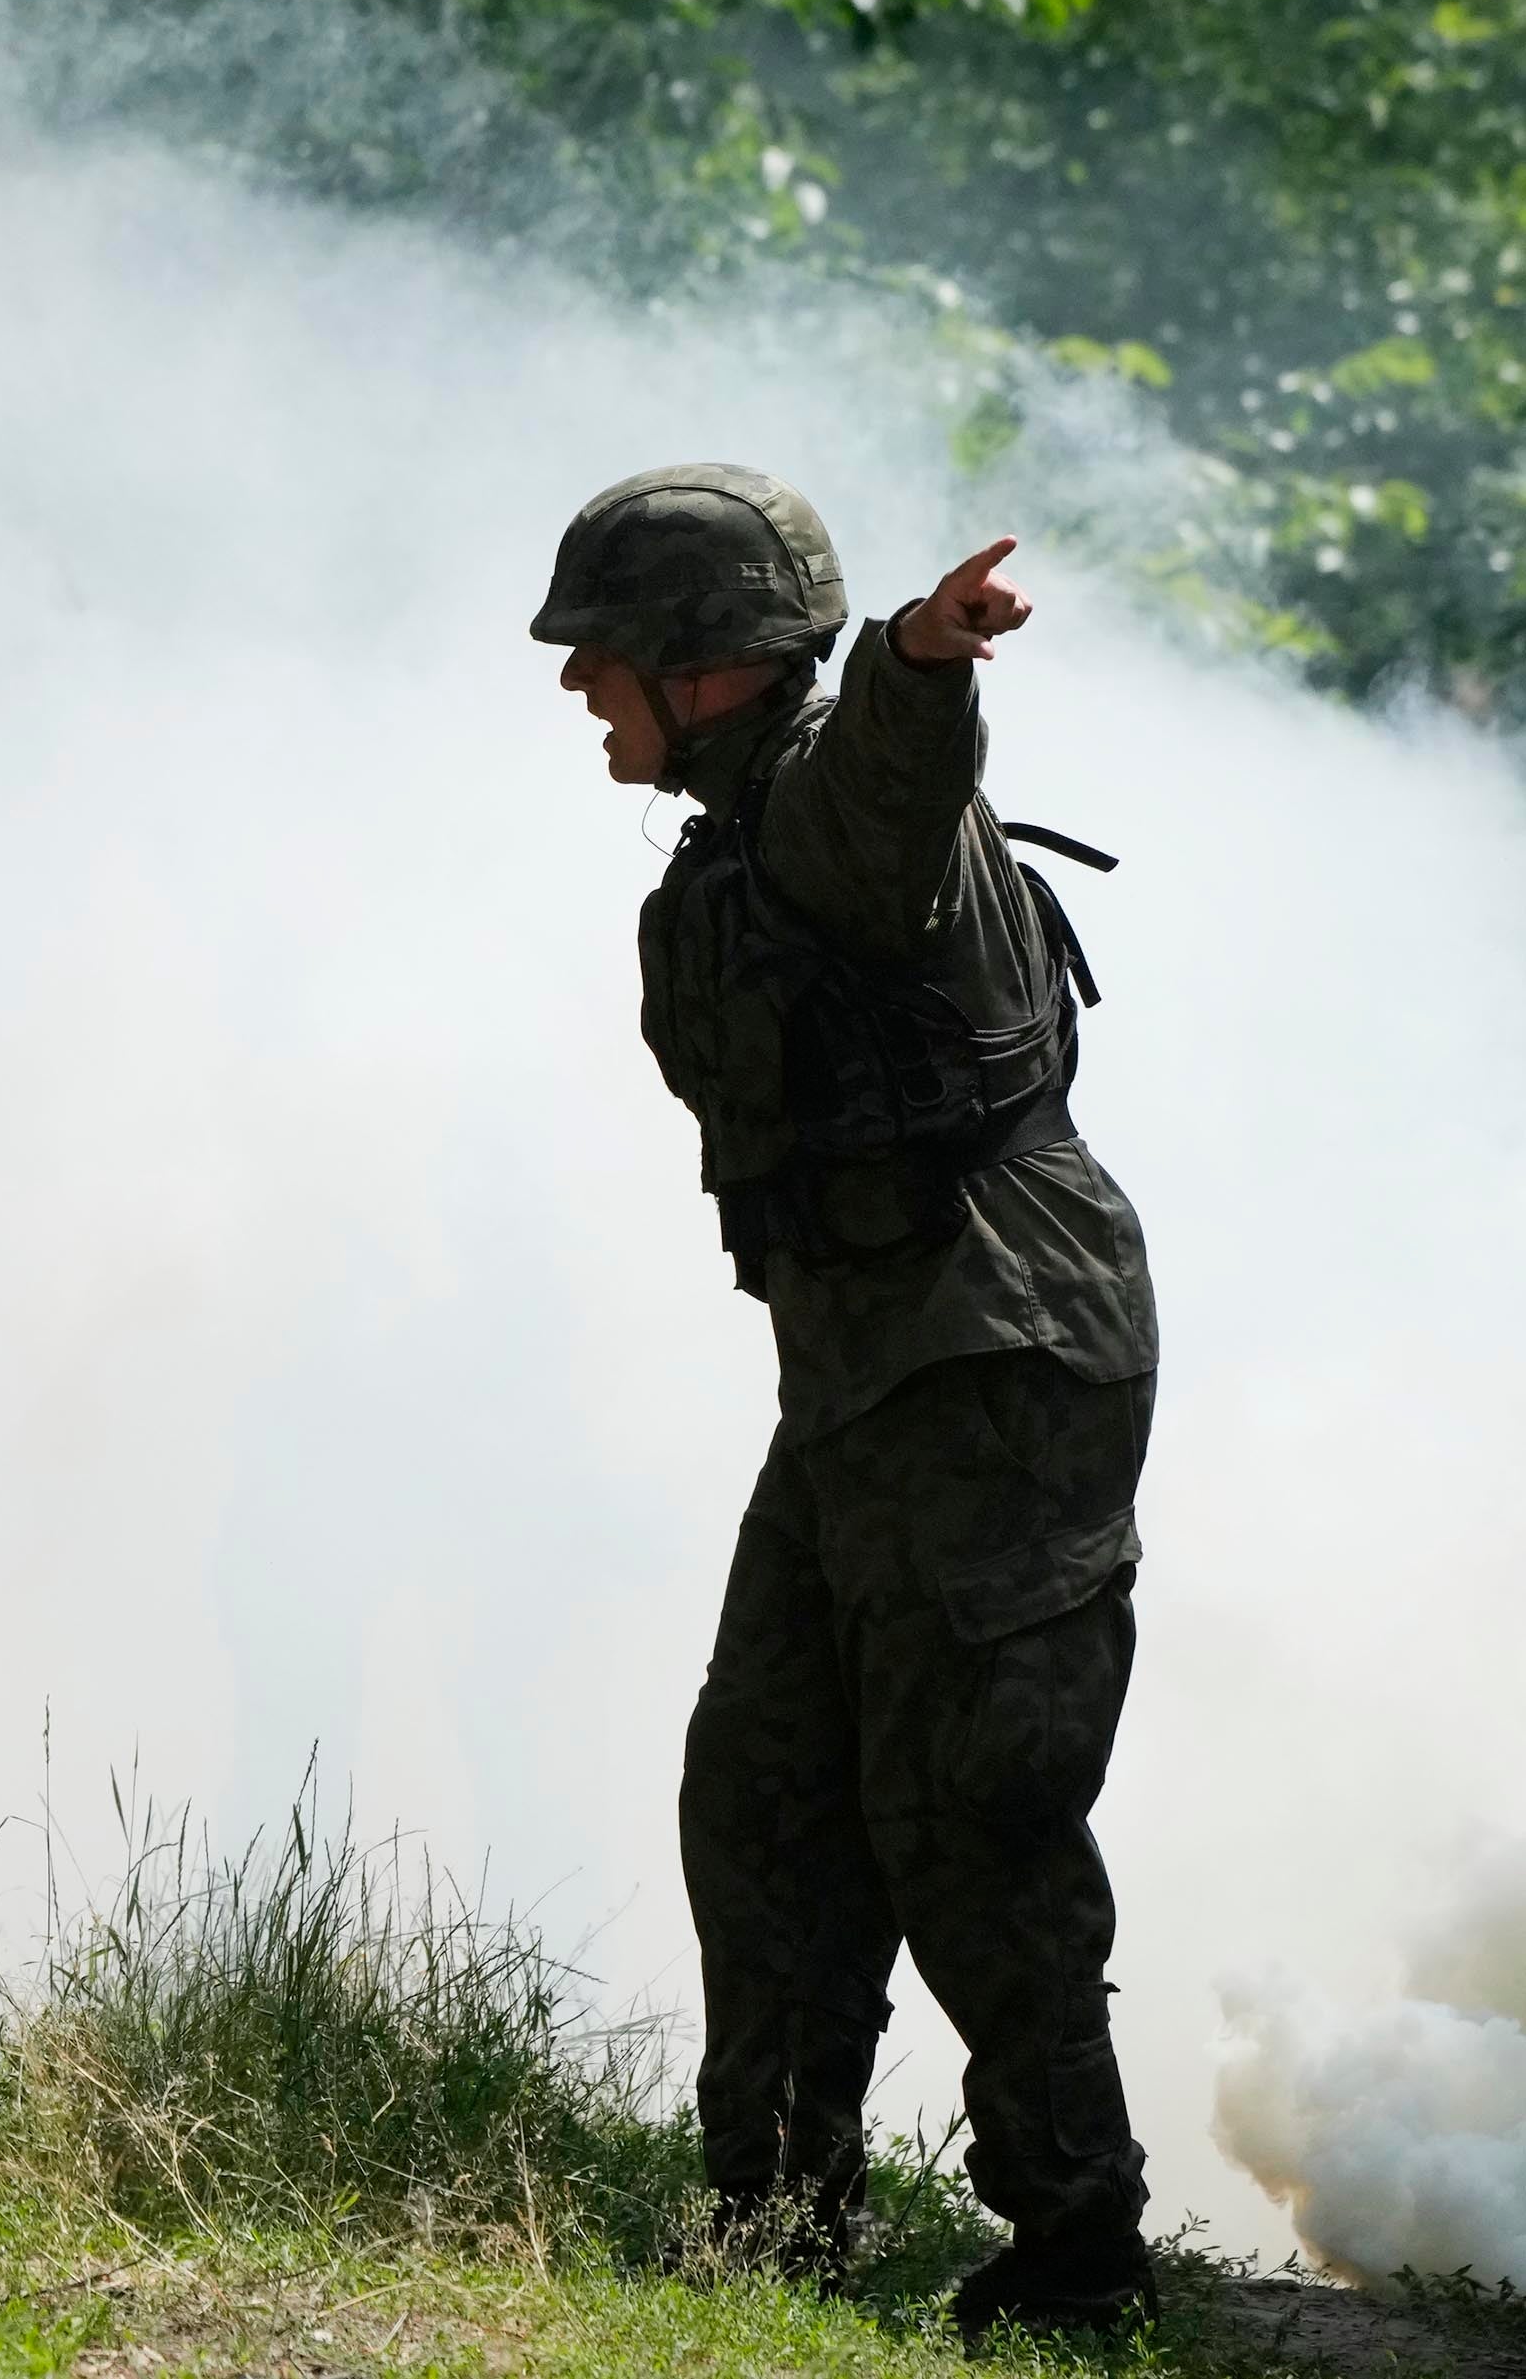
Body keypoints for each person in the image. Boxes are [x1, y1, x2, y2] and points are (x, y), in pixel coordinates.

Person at [533, 466, 1161, 2345]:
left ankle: (1077, 2253)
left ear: (709, 666)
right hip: (870, 1380)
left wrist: (917, 650)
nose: (580, 694)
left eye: (606, 659)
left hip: (995, 1356)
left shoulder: (836, 804)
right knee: (770, 1790)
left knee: (973, 1813)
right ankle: (780, 2223)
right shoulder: (740, 836)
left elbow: (893, 763)